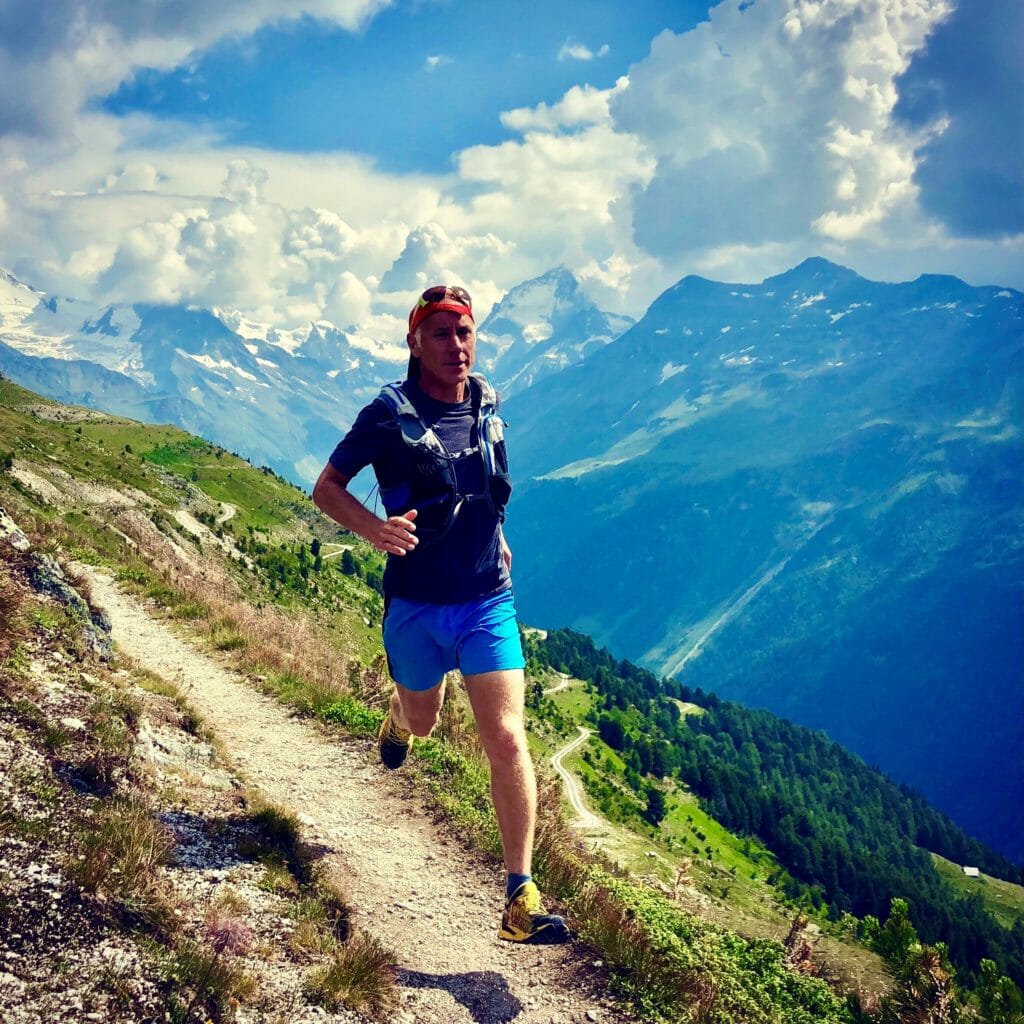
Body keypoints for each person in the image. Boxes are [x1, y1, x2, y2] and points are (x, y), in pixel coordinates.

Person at [312, 285, 571, 945]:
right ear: (414, 343)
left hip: (488, 599)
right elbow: (326, 488)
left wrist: (500, 535)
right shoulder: (385, 415)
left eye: (465, 333)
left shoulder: (487, 402)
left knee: (508, 738)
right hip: (417, 606)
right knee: (425, 721)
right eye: (441, 335)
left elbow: (486, 484)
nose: (456, 347)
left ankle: (520, 894)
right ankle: (398, 717)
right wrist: (375, 530)